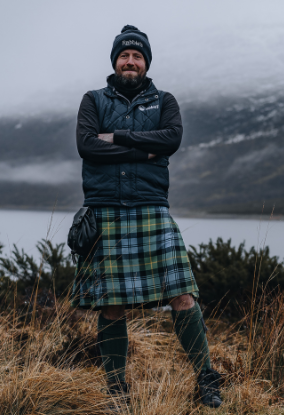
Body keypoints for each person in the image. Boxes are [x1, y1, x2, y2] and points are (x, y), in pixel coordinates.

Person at [72, 25, 222, 408]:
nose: (130, 61)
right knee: (111, 302)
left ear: (146, 62)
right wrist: (144, 147)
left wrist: (117, 138)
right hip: (106, 209)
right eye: (124, 55)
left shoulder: (165, 100)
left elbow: (170, 139)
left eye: (137, 56)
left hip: (151, 208)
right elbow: (87, 146)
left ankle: (206, 378)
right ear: (115, 61)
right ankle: (116, 388)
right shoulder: (92, 100)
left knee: (182, 295)